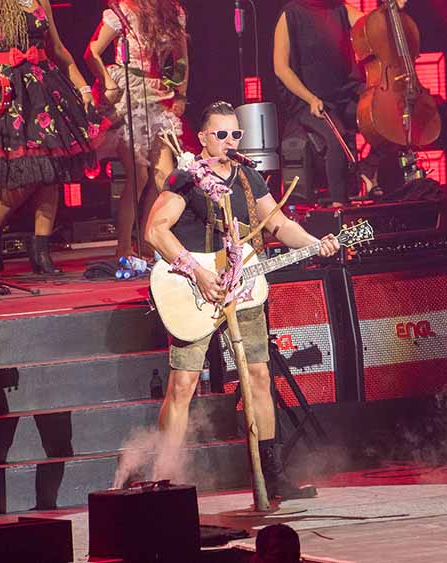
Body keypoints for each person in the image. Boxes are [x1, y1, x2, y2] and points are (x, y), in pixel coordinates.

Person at [146, 101, 340, 500]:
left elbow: (280, 224)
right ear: (201, 139)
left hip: (245, 290)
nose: (231, 141)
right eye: (221, 134)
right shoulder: (187, 179)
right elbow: (155, 231)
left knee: (259, 378)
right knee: (182, 386)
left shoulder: (248, 179)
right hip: (195, 290)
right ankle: (164, 481)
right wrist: (197, 273)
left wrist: (317, 244)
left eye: (236, 134)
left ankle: (270, 479)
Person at [0, 0, 103, 274]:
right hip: (9, 91)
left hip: (44, 86)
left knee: (52, 169)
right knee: (24, 173)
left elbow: (58, 49)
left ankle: (41, 251)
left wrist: (84, 88)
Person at [273, 0, 407, 207]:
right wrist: (309, 98)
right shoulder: (291, 13)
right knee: (336, 139)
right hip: (309, 100)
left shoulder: (340, 7)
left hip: (345, 94)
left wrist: (389, 9)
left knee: (393, 119)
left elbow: (370, 24)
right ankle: (340, 207)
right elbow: (281, 68)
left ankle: (369, 167)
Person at [85, 0, 188, 261]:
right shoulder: (121, 11)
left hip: (158, 94)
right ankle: (123, 246)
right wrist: (108, 83)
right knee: (138, 176)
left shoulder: (172, 11)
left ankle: (149, 239)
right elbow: (92, 52)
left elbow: (181, 57)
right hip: (129, 94)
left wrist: (181, 94)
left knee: (163, 175)